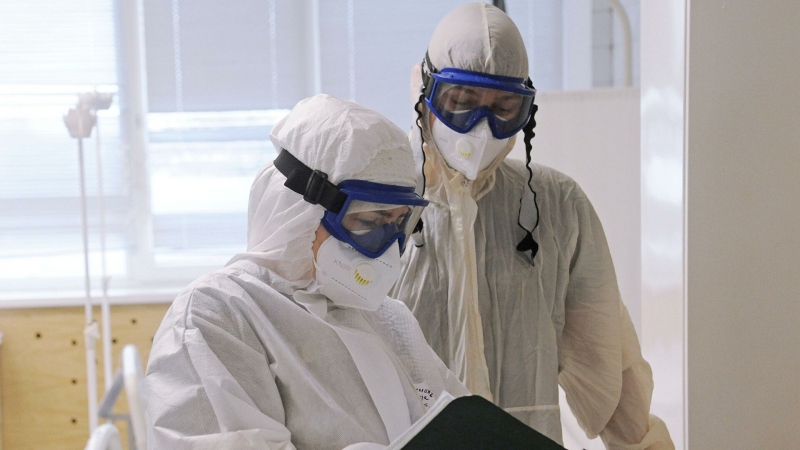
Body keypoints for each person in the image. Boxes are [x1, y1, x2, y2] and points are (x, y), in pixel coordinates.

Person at [390, 3, 674, 449]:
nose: (482, 129)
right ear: (424, 93)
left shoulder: (555, 206)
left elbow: (610, 360)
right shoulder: (382, 204)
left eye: (504, 108)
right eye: (461, 103)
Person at [145, 94, 468, 450]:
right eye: (369, 221)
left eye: (396, 222)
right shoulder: (218, 313)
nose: (387, 246)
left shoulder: (389, 319)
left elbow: (462, 422)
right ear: (298, 213)